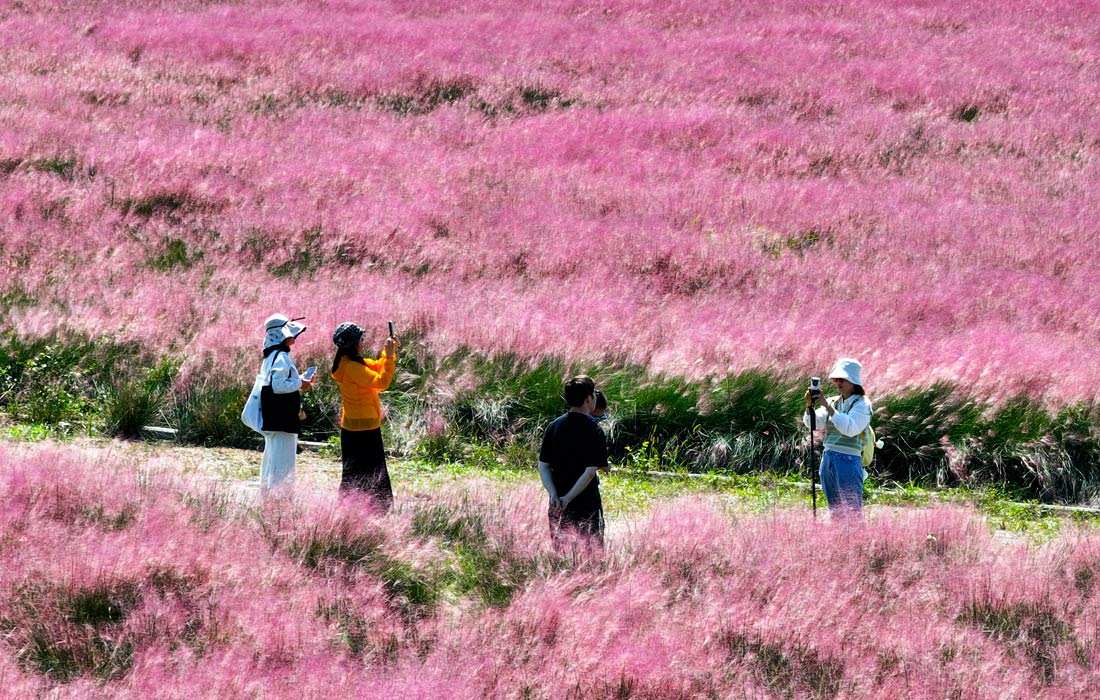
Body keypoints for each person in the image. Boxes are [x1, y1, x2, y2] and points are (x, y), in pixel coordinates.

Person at [330, 322, 398, 509]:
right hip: (365, 428)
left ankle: (352, 508)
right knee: (373, 469)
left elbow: (376, 366)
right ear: (353, 344)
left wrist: (387, 352)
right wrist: (390, 357)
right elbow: (382, 382)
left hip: (353, 427)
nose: (363, 343)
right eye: (361, 339)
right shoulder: (352, 367)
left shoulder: (349, 363)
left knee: (354, 471)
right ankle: (376, 508)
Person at [537, 375, 608, 547]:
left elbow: (543, 465)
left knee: (561, 552)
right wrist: (568, 498)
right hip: (585, 502)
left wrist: (554, 494)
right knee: (590, 553)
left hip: (557, 502)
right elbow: (590, 471)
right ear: (588, 398)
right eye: (594, 394)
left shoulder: (553, 426)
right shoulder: (594, 430)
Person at [804, 357, 872, 517]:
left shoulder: (862, 404)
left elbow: (850, 428)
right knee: (834, 509)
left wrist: (827, 407)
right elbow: (812, 423)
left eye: (843, 379)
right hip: (828, 458)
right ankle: (839, 540)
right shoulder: (833, 401)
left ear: (853, 382)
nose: (838, 383)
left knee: (852, 511)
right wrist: (810, 406)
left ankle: (856, 541)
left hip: (849, 459)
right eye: (837, 379)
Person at [259, 313, 313, 493]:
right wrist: (301, 383)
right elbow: (278, 385)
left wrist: (298, 380)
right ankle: (280, 503)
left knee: (272, 459)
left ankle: (267, 497)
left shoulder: (270, 356)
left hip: (273, 418)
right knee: (283, 462)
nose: (294, 336)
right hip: (283, 419)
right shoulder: (281, 356)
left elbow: (274, 382)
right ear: (281, 334)